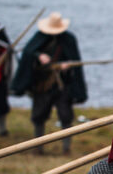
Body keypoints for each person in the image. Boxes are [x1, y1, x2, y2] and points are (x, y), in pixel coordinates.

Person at [10, 12, 87, 154]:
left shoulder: (69, 39)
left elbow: (74, 60)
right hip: (42, 84)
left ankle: (66, 148)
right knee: (39, 116)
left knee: (65, 116)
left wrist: (67, 65)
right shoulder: (39, 38)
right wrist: (38, 55)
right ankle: (38, 147)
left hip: (62, 84)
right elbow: (28, 53)